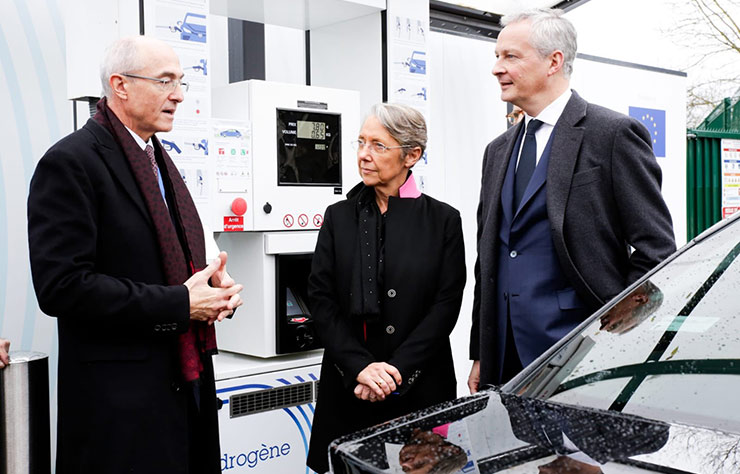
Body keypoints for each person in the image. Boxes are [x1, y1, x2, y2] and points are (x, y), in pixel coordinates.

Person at [27, 36, 243, 474]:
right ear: (120, 85)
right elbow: (62, 288)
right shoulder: (71, 162)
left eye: (181, 81)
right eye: (165, 81)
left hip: (186, 389)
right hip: (120, 409)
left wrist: (213, 290)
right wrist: (182, 304)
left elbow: (170, 259)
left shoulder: (159, 159)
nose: (179, 94)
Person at [468, 8, 676, 392]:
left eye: (510, 56)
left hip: (585, 356)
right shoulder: (497, 150)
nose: (497, 68)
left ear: (554, 61)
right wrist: (482, 350)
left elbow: (657, 251)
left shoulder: (612, 134)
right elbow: (489, 257)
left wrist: (617, 335)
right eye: (496, 56)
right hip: (505, 361)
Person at [307, 103, 466, 473]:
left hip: (420, 386)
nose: (364, 155)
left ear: (412, 155)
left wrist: (393, 371)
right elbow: (321, 299)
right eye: (361, 142)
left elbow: (445, 306)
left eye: (378, 145)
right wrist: (360, 368)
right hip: (349, 386)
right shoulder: (338, 217)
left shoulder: (443, 220)